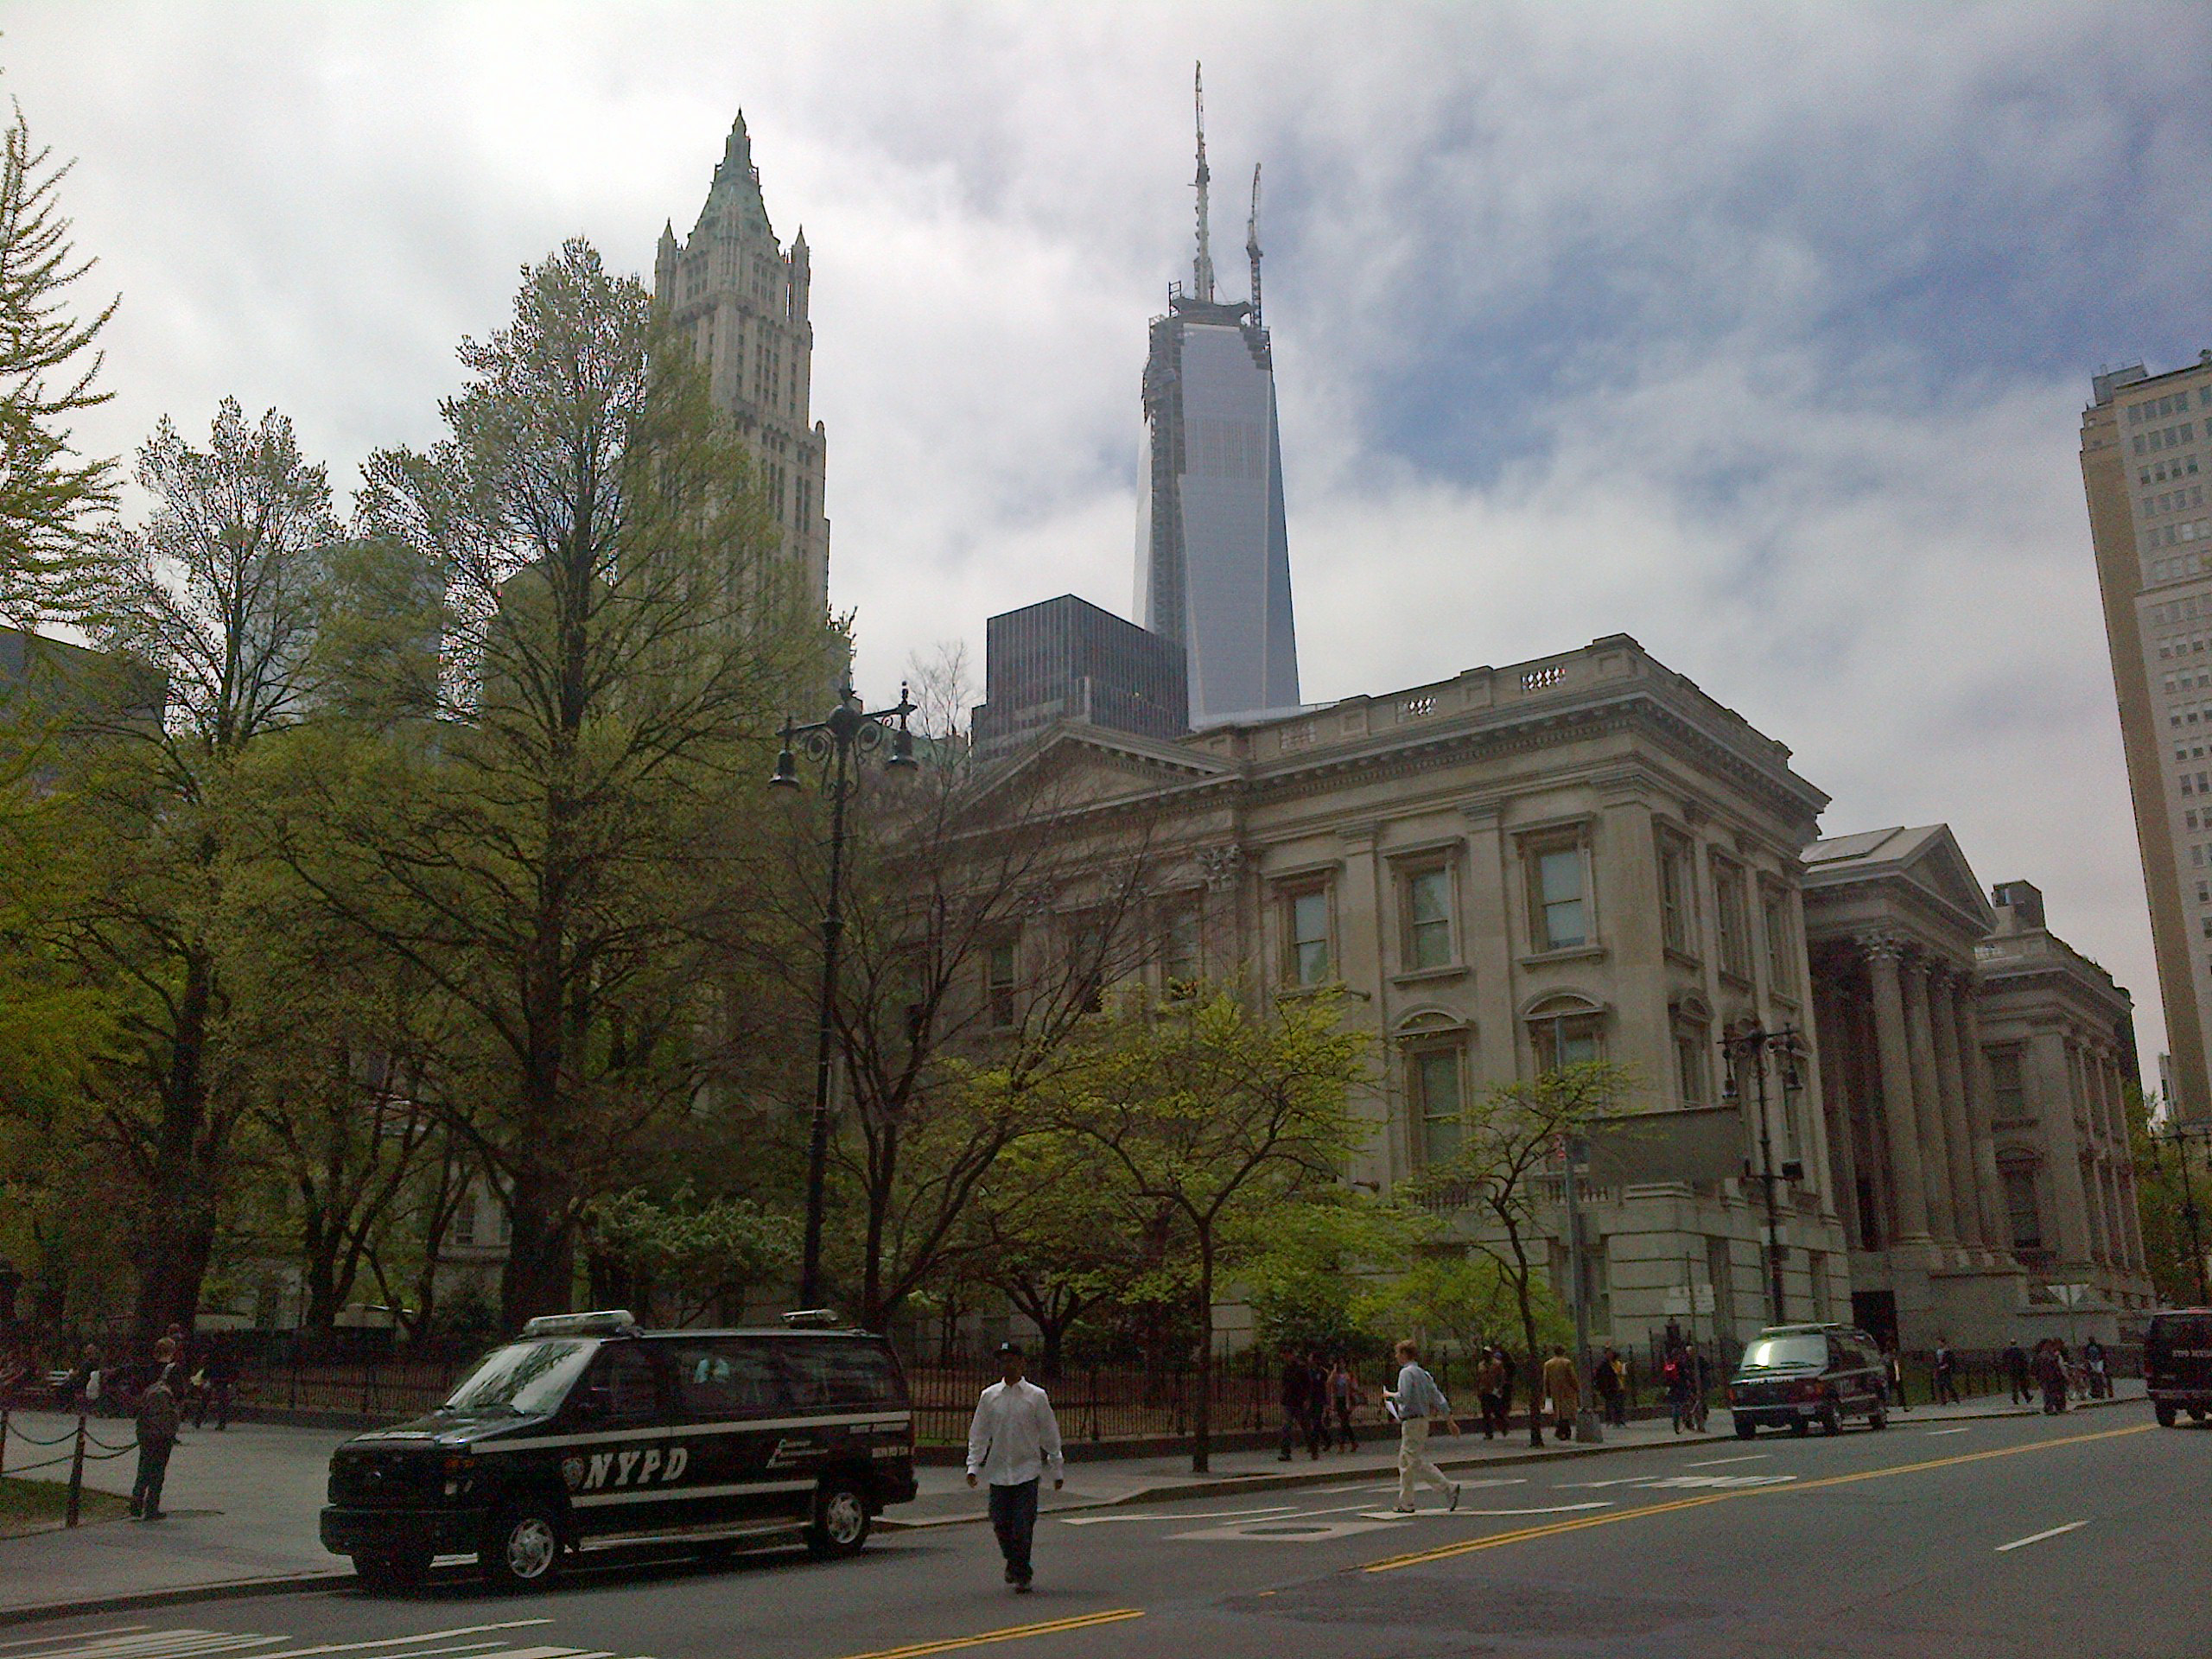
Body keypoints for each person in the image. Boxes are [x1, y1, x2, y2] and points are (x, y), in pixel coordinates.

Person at [965, 1341, 1064, 1593]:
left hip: (1027, 1471)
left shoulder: (1036, 1397)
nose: (1007, 1365)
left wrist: (1056, 1467)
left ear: (1022, 1363)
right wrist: (973, 1466)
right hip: (999, 1472)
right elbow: (979, 1433)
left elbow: (1049, 1433)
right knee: (1000, 1523)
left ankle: (1021, 1571)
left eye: (1012, 1360)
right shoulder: (989, 1397)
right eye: (1003, 1360)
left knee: (1022, 1526)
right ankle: (1015, 1562)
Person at [1383, 1338, 1461, 1514]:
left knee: (1411, 1461)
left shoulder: (1406, 1373)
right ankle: (1407, 1501)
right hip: (1422, 1420)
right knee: (1408, 1462)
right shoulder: (1423, 1374)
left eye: (1398, 1353)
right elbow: (1437, 1397)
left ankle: (1447, 1488)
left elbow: (1404, 1396)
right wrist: (1449, 1420)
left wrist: (1389, 1395)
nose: (1396, 1357)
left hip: (1411, 1421)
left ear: (1404, 1354)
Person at [131, 1364, 181, 1520]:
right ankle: (149, 1507)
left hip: (148, 1435)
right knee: (155, 1473)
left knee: (144, 1470)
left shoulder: (155, 1389)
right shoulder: (163, 1394)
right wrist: (168, 1435)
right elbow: (162, 1419)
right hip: (158, 1438)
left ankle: (137, 1504)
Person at [1277, 1348, 1313, 1461]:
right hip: (1288, 1401)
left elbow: (1308, 1385)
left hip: (1299, 1401)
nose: (1286, 1357)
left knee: (1305, 1426)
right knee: (1286, 1427)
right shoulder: (1286, 1369)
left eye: (1288, 1355)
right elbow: (1283, 1384)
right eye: (1285, 1355)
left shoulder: (1301, 1368)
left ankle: (1313, 1448)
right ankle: (1285, 1452)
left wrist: (1307, 1399)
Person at [1541, 1344, 1580, 1441]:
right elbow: (1572, 1377)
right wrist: (1577, 1388)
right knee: (1566, 1412)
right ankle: (1564, 1431)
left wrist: (1547, 1392)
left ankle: (1561, 1431)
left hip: (1554, 1390)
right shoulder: (1567, 1363)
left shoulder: (1548, 1364)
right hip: (1567, 1391)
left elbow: (1546, 1379)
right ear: (1563, 1352)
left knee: (1558, 1412)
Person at [1474, 1347, 1507, 1440]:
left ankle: (1503, 1426)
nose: (1485, 1355)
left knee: (1497, 1411)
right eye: (1484, 1353)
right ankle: (1489, 1433)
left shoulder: (1497, 1364)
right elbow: (1478, 1378)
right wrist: (1478, 1390)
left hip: (1494, 1391)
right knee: (1486, 1413)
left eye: (1487, 1353)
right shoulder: (1481, 1365)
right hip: (1484, 1391)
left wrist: (1499, 1388)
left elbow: (1502, 1377)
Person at [1326, 1356, 1358, 1451]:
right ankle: (1353, 1442)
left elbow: (1355, 1387)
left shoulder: (1349, 1374)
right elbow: (1329, 1383)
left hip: (1348, 1399)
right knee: (1345, 1423)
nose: (1341, 1365)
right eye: (1339, 1363)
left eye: (1343, 1363)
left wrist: (1350, 1382)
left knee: (1344, 1422)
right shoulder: (1335, 1375)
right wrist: (1334, 1370)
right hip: (1339, 1400)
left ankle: (1342, 1444)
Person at [1592, 1347, 1626, 1428]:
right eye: (1608, 1353)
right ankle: (1610, 1421)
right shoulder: (1604, 1364)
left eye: (1611, 1353)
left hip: (1618, 1385)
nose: (1610, 1355)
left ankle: (1619, 1421)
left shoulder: (1617, 1363)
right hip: (1609, 1387)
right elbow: (1600, 1376)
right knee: (1610, 1404)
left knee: (1619, 1404)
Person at [2033, 1338, 2068, 1414]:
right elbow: (2049, 1363)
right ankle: (2050, 1408)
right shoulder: (2044, 1355)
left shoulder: (2049, 1354)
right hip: (2046, 1376)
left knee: (2052, 1393)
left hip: (2051, 1376)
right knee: (2048, 1393)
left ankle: (2051, 1407)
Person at [2002, 1338, 2031, 1406]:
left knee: (2014, 1385)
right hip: (2020, 1370)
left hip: (2012, 1370)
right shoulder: (2020, 1351)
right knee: (2022, 1385)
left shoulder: (2007, 1352)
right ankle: (2027, 1397)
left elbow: (2004, 1360)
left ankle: (2015, 1399)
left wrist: (2007, 1368)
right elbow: (2024, 1360)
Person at [1933, 1340, 1961, 1407]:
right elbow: (1936, 1361)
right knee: (1940, 1385)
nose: (1939, 1344)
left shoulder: (1948, 1352)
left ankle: (1955, 1398)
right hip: (1939, 1369)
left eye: (1940, 1342)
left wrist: (1946, 1366)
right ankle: (1943, 1400)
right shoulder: (1938, 1351)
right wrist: (1936, 1368)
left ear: (1943, 1343)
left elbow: (1950, 1361)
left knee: (1948, 1385)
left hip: (1946, 1371)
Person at [2083, 1337, 2110, 1401]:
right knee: (2094, 1379)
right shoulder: (2088, 1347)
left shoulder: (2097, 1347)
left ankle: (2100, 1393)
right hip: (2092, 1364)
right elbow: (2086, 1357)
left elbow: (2103, 1355)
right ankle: (2095, 1393)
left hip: (2098, 1363)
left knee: (2099, 1378)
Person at [1885, 1346, 1910, 1410]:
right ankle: (1887, 1404)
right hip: (1891, 1375)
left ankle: (1902, 1404)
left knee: (1898, 1390)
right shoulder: (1891, 1357)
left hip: (1892, 1375)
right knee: (1890, 1390)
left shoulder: (1891, 1357)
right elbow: (1895, 1367)